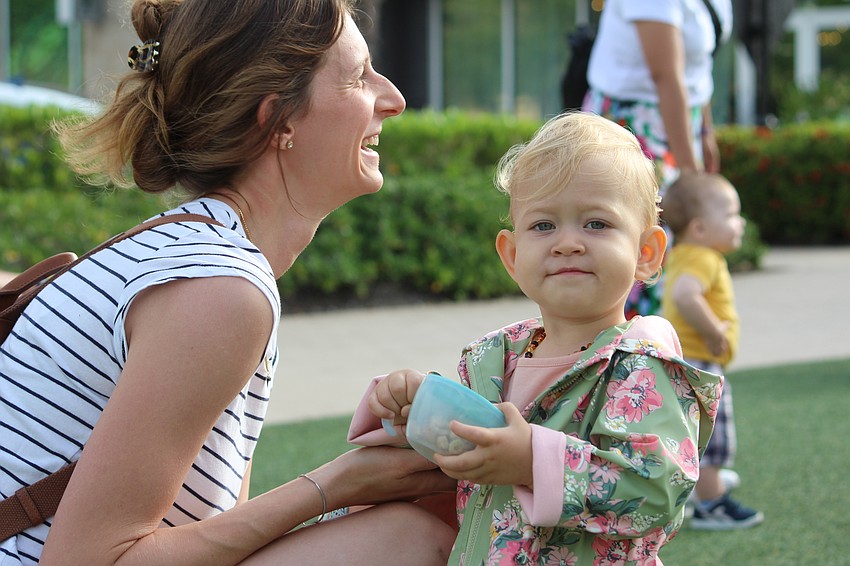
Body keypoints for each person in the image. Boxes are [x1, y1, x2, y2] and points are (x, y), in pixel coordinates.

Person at [0, 1, 458, 564]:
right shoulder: (216, 288)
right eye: (359, 77)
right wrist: (336, 487)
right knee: (409, 541)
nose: (393, 98)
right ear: (277, 120)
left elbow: (203, 534)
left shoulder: (188, 252)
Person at [348, 112, 724, 564]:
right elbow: (455, 463)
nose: (567, 243)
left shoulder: (643, 364)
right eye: (543, 226)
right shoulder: (495, 359)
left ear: (646, 254)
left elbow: (658, 489)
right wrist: (414, 408)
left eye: (597, 224)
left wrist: (532, 461)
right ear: (512, 255)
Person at [582, 0, 733, 319]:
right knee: (631, 239)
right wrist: (691, 175)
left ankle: (660, 350)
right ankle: (623, 354)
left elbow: (696, 67)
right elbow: (666, 75)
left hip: (679, 122)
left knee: (664, 243)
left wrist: (704, 129)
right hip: (630, 125)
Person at [660, 172, 764, 530]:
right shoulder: (703, 258)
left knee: (690, 430)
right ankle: (712, 503)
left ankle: (697, 488)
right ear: (700, 228)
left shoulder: (687, 254)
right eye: (733, 214)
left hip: (689, 358)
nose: (741, 222)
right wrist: (713, 329)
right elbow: (684, 296)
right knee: (712, 436)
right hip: (700, 360)